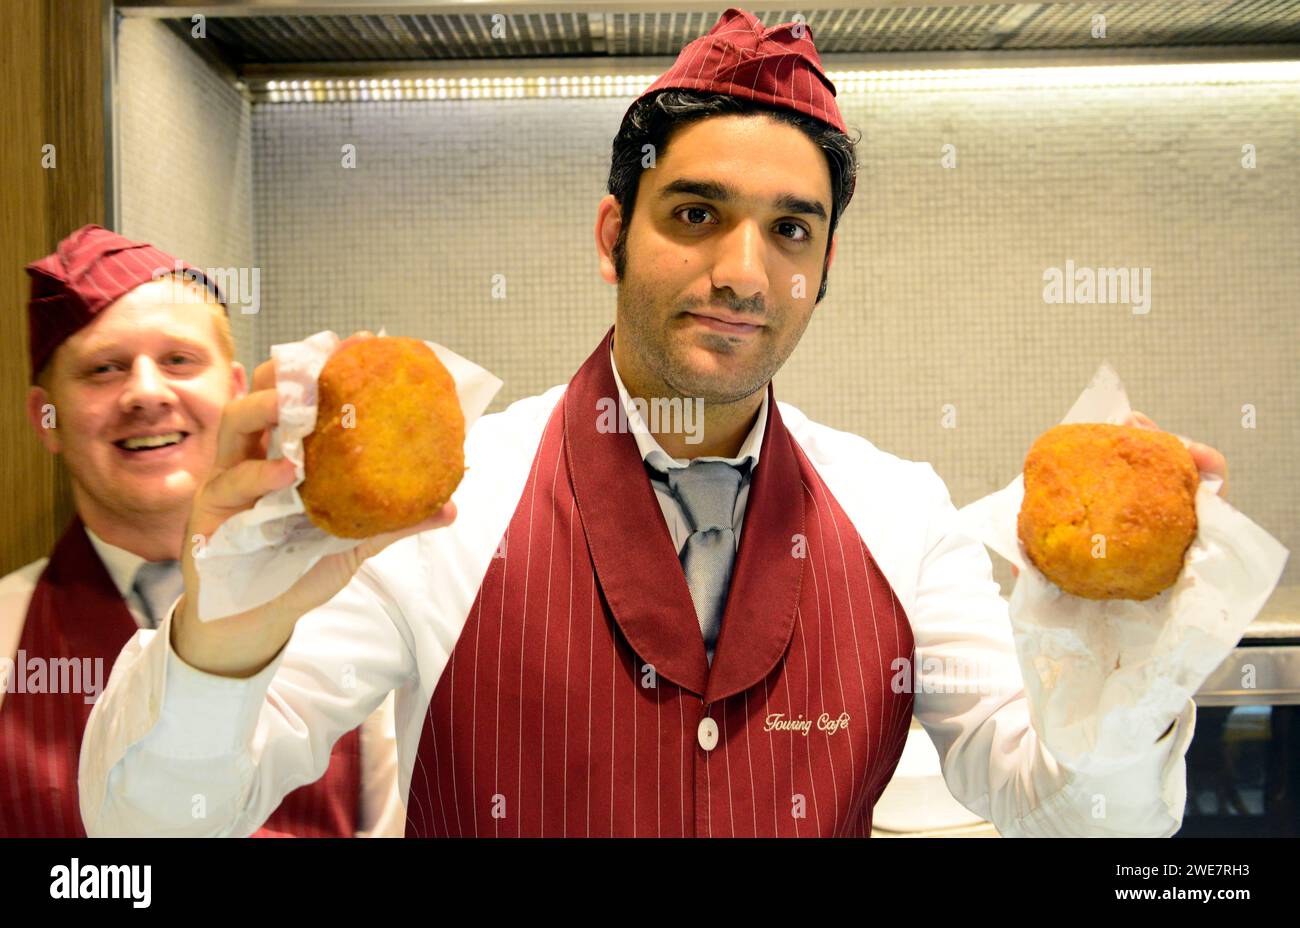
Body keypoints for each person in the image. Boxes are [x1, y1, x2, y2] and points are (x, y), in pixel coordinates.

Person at [81, 9, 1225, 837]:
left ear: (823, 269)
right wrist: (216, 643)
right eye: (695, 213)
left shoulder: (899, 512)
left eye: (790, 231)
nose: (740, 269)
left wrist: (1117, 676)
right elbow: (151, 826)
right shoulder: (444, 506)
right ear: (608, 234)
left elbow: (1072, 822)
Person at [0, 225, 405, 837]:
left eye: (178, 361)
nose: (145, 392)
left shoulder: (348, 614)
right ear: (46, 419)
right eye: (103, 369)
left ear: (236, 391)